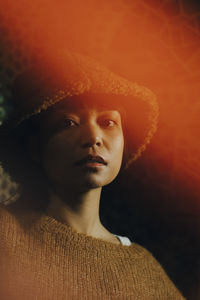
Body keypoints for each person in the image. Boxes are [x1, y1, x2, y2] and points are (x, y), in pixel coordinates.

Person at [0, 51, 185, 299]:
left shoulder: (144, 269)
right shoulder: (6, 236)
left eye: (108, 122)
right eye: (68, 123)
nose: (94, 138)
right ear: (35, 147)